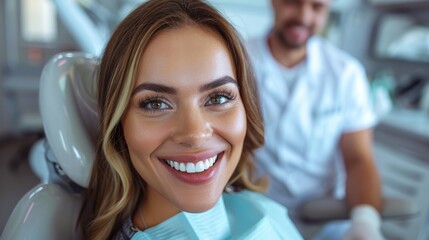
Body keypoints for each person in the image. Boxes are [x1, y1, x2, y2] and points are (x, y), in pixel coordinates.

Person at [78, 0, 303, 239]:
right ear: (119, 124)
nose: (195, 135)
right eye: (156, 104)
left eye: (217, 98)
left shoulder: (260, 208)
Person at [246, 0, 384, 239]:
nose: (303, 16)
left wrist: (365, 222)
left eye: (317, 7)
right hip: (256, 213)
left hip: (325, 220)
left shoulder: (346, 74)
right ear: (274, 3)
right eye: (293, 2)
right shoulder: (237, 59)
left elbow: (358, 158)